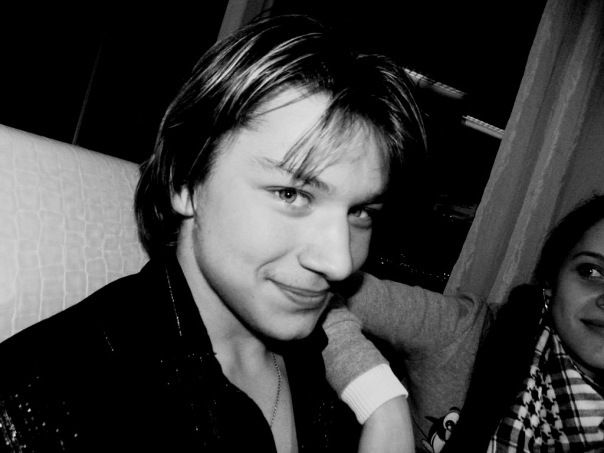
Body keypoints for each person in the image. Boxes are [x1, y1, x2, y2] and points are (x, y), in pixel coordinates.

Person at [0, 14, 427, 453]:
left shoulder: (324, 364)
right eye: (291, 194)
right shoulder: (51, 400)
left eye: (360, 211)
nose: (340, 262)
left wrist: (384, 404)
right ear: (184, 181)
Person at [326, 194, 604, 452]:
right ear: (551, 281)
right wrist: (379, 398)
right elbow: (321, 289)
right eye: (591, 271)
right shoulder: (465, 332)